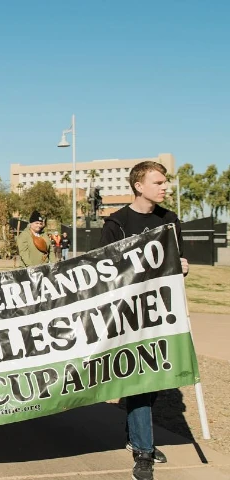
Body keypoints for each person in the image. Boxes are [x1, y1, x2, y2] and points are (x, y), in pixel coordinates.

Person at [99, 160, 188, 480]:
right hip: (129, 316)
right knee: (141, 379)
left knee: (158, 380)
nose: (165, 187)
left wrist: (182, 265)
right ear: (139, 185)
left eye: (165, 182)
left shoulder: (171, 221)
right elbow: (104, 272)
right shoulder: (117, 223)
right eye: (158, 182)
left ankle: (135, 432)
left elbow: (178, 260)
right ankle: (143, 451)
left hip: (164, 313)